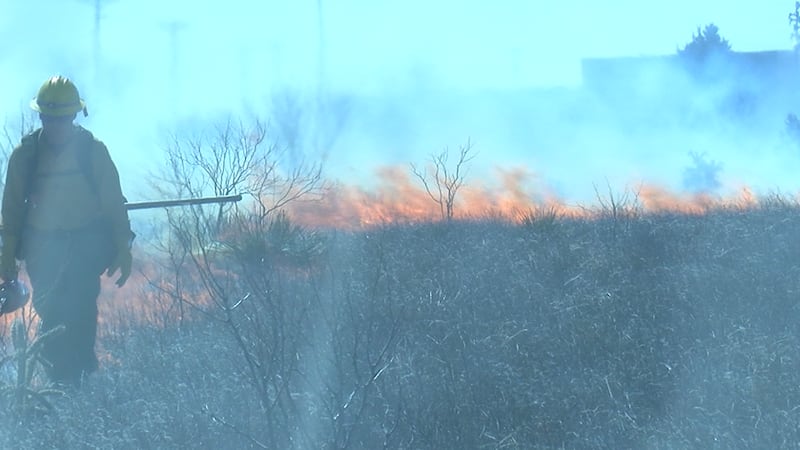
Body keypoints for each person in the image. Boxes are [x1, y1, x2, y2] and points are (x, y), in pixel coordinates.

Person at [0, 75, 133, 387]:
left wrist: (122, 247)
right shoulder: (26, 156)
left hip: (87, 243)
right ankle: (58, 380)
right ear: (41, 117)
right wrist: (7, 256)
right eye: (50, 118)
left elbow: (114, 203)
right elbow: (11, 212)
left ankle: (82, 379)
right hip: (42, 245)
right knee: (51, 310)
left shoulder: (93, 153)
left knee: (83, 307)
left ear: (75, 116)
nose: (56, 125)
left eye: (62, 118)